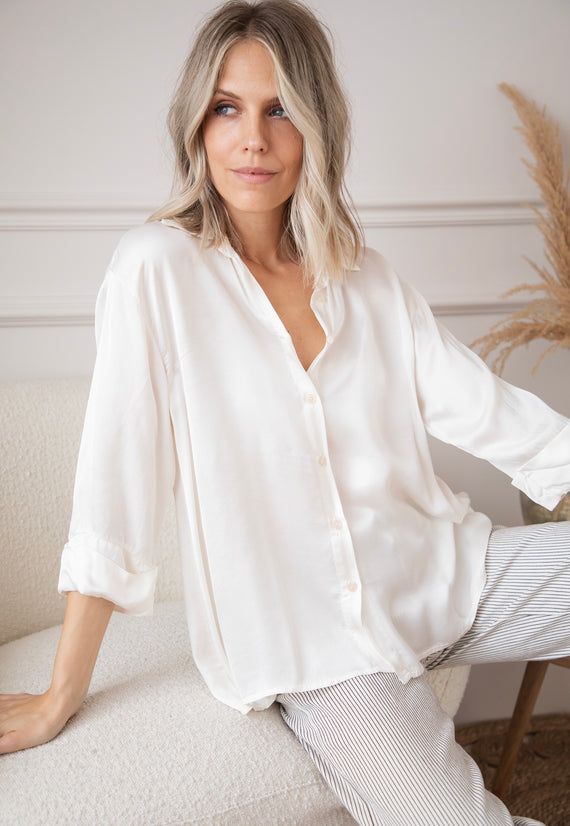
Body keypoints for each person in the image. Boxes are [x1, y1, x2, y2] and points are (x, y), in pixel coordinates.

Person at [1, 1, 569, 823]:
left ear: (316, 129)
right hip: (317, 651)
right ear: (196, 126)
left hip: (443, 577)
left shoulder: (362, 274)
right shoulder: (155, 270)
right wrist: (61, 693)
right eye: (227, 108)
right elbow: (113, 491)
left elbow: (493, 413)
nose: (253, 140)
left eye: (279, 112)